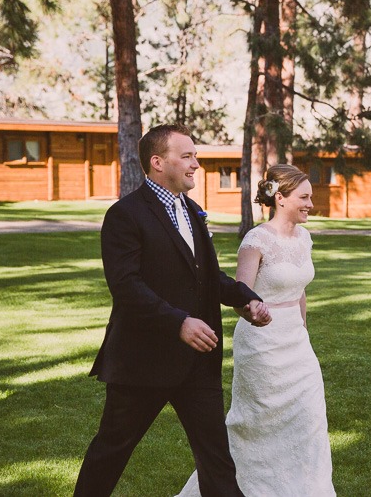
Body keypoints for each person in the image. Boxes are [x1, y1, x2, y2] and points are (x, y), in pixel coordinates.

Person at [74, 124, 272, 497]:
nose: (196, 163)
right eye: (187, 156)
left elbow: (208, 276)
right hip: (142, 361)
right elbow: (126, 287)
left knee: (216, 458)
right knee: (112, 451)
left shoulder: (193, 210)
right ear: (157, 162)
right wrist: (178, 322)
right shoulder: (125, 214)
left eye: (195, 155)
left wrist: (245, 298)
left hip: (198, 361)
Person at [178, 164, 335, 496]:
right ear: (280, 198)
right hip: (262, 343)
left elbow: (300, 291)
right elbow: (238, 295)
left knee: (308, 419)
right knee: (259, 422)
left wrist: (304, 332)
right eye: (304, 196)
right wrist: (252, 311)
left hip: (297, 343)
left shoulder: (305, 237)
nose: (311, 203)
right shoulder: (257, 240)